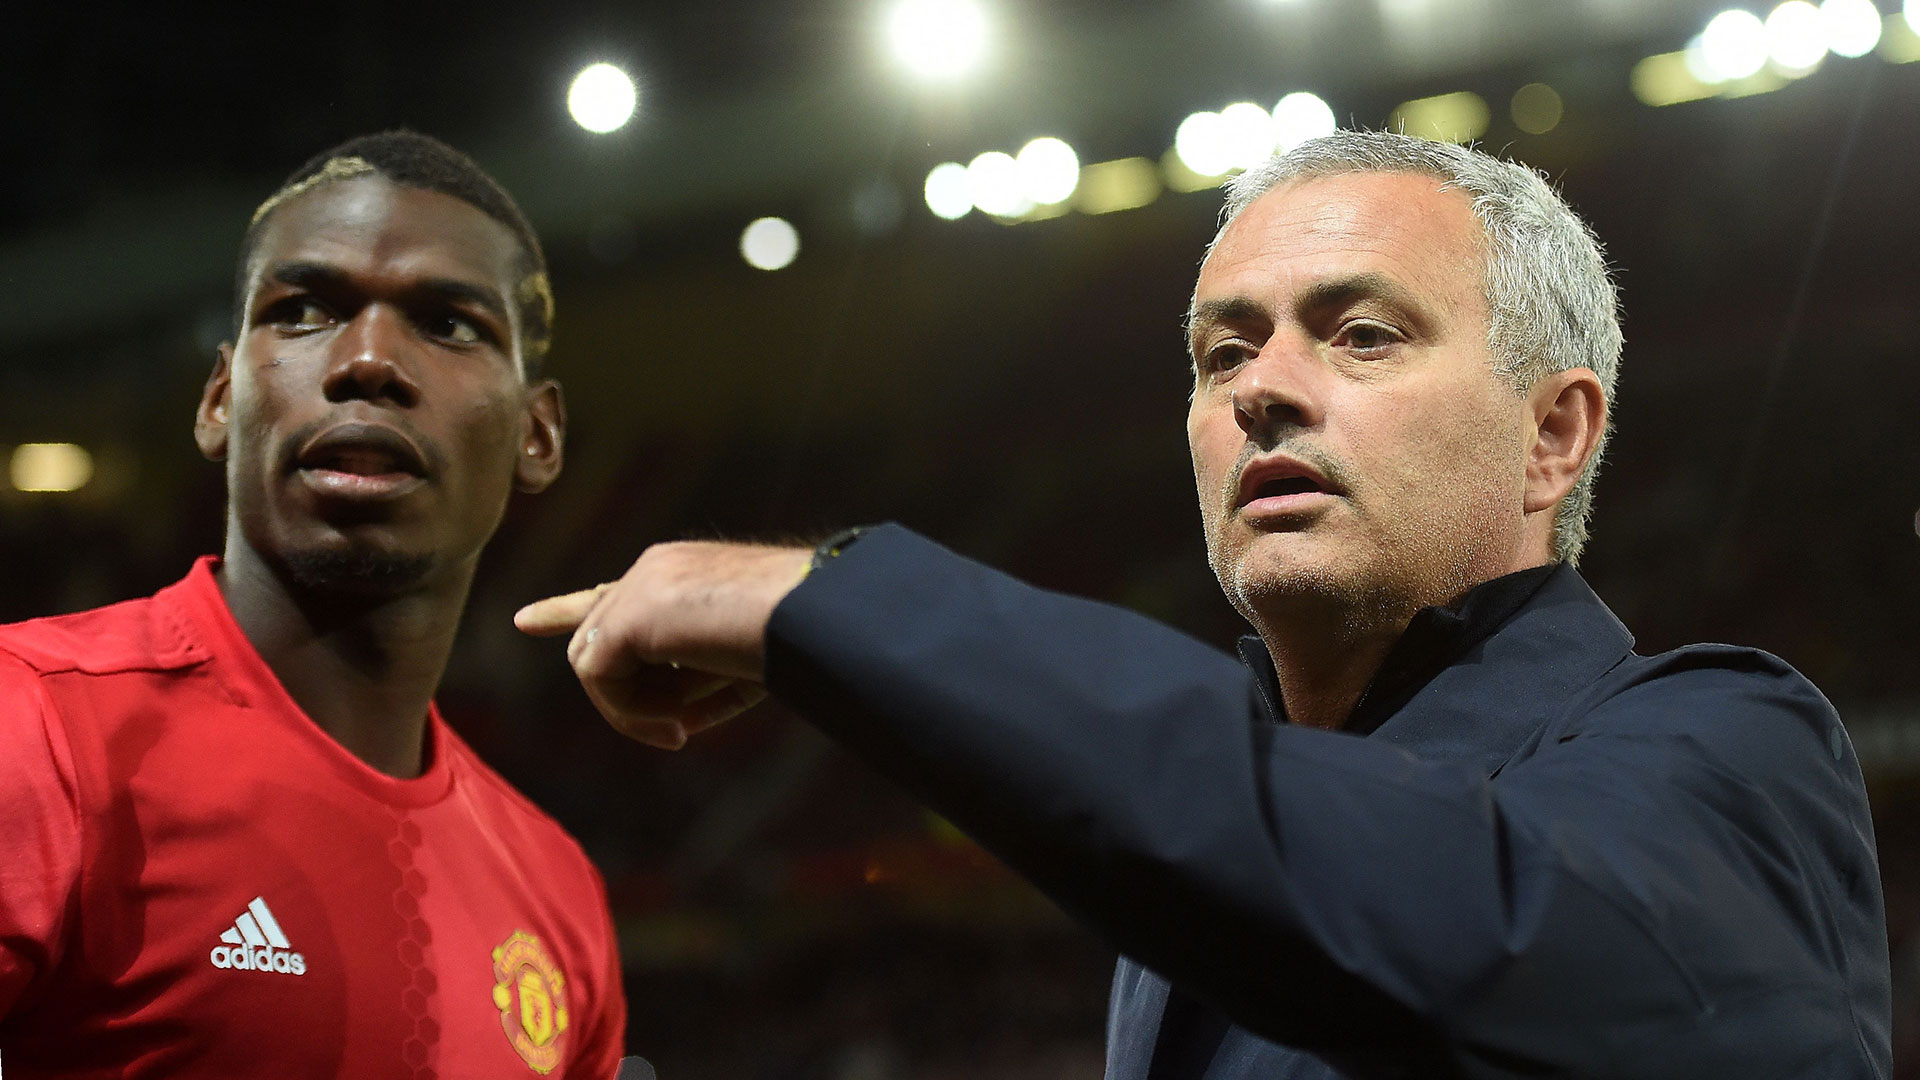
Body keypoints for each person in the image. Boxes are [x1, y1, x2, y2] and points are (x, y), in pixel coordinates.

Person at [516, 131, 1890, 1077]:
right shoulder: (1207, 854)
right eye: (1221, 349)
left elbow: (1459, 914)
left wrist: (828, 603)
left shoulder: (1738, 751)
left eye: (1361, 333)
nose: (1261, 386)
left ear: (1555, 436)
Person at [0, 131, 626, 1078]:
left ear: (538, 434)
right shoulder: (34, 726)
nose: (368, 360)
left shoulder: (560, 899)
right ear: (219, 399)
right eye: (303, 311)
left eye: (449, 324)